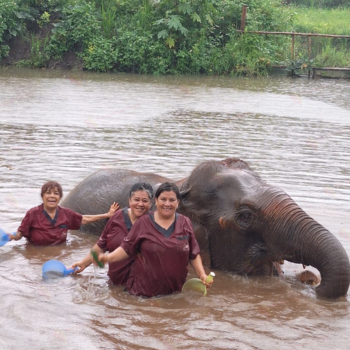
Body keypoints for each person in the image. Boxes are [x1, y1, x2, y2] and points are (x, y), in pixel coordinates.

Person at [95, 182, 213, 297]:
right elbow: (126, 249)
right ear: (156, 201)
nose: (167, 204)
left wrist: (201, 274)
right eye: (163, 199)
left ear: (178, 203)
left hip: (175, 292)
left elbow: (193, 253)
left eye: (172, 200)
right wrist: (107, 258)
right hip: (144, 293)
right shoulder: (143, 222)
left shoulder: (185, 222)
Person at [71, 182, 154, 286]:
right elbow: (101, 245)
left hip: (143, 287)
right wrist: (84, 263)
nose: (140, 204)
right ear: (129, 200)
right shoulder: (117, 217)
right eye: (136, 200)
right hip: (115, 283)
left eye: (145, 201)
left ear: (151, 203)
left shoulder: (154, 222)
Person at [7, 181, 119, 246]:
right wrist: (11, 236)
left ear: (60, 198)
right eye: (48, 193)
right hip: (36, 251)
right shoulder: (32, 214)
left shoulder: (65, 213)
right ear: (42, 197)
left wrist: (106, 215)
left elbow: (83, 219)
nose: (52, 196)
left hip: (59, 249)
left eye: (56, 193)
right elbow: (20, 234)